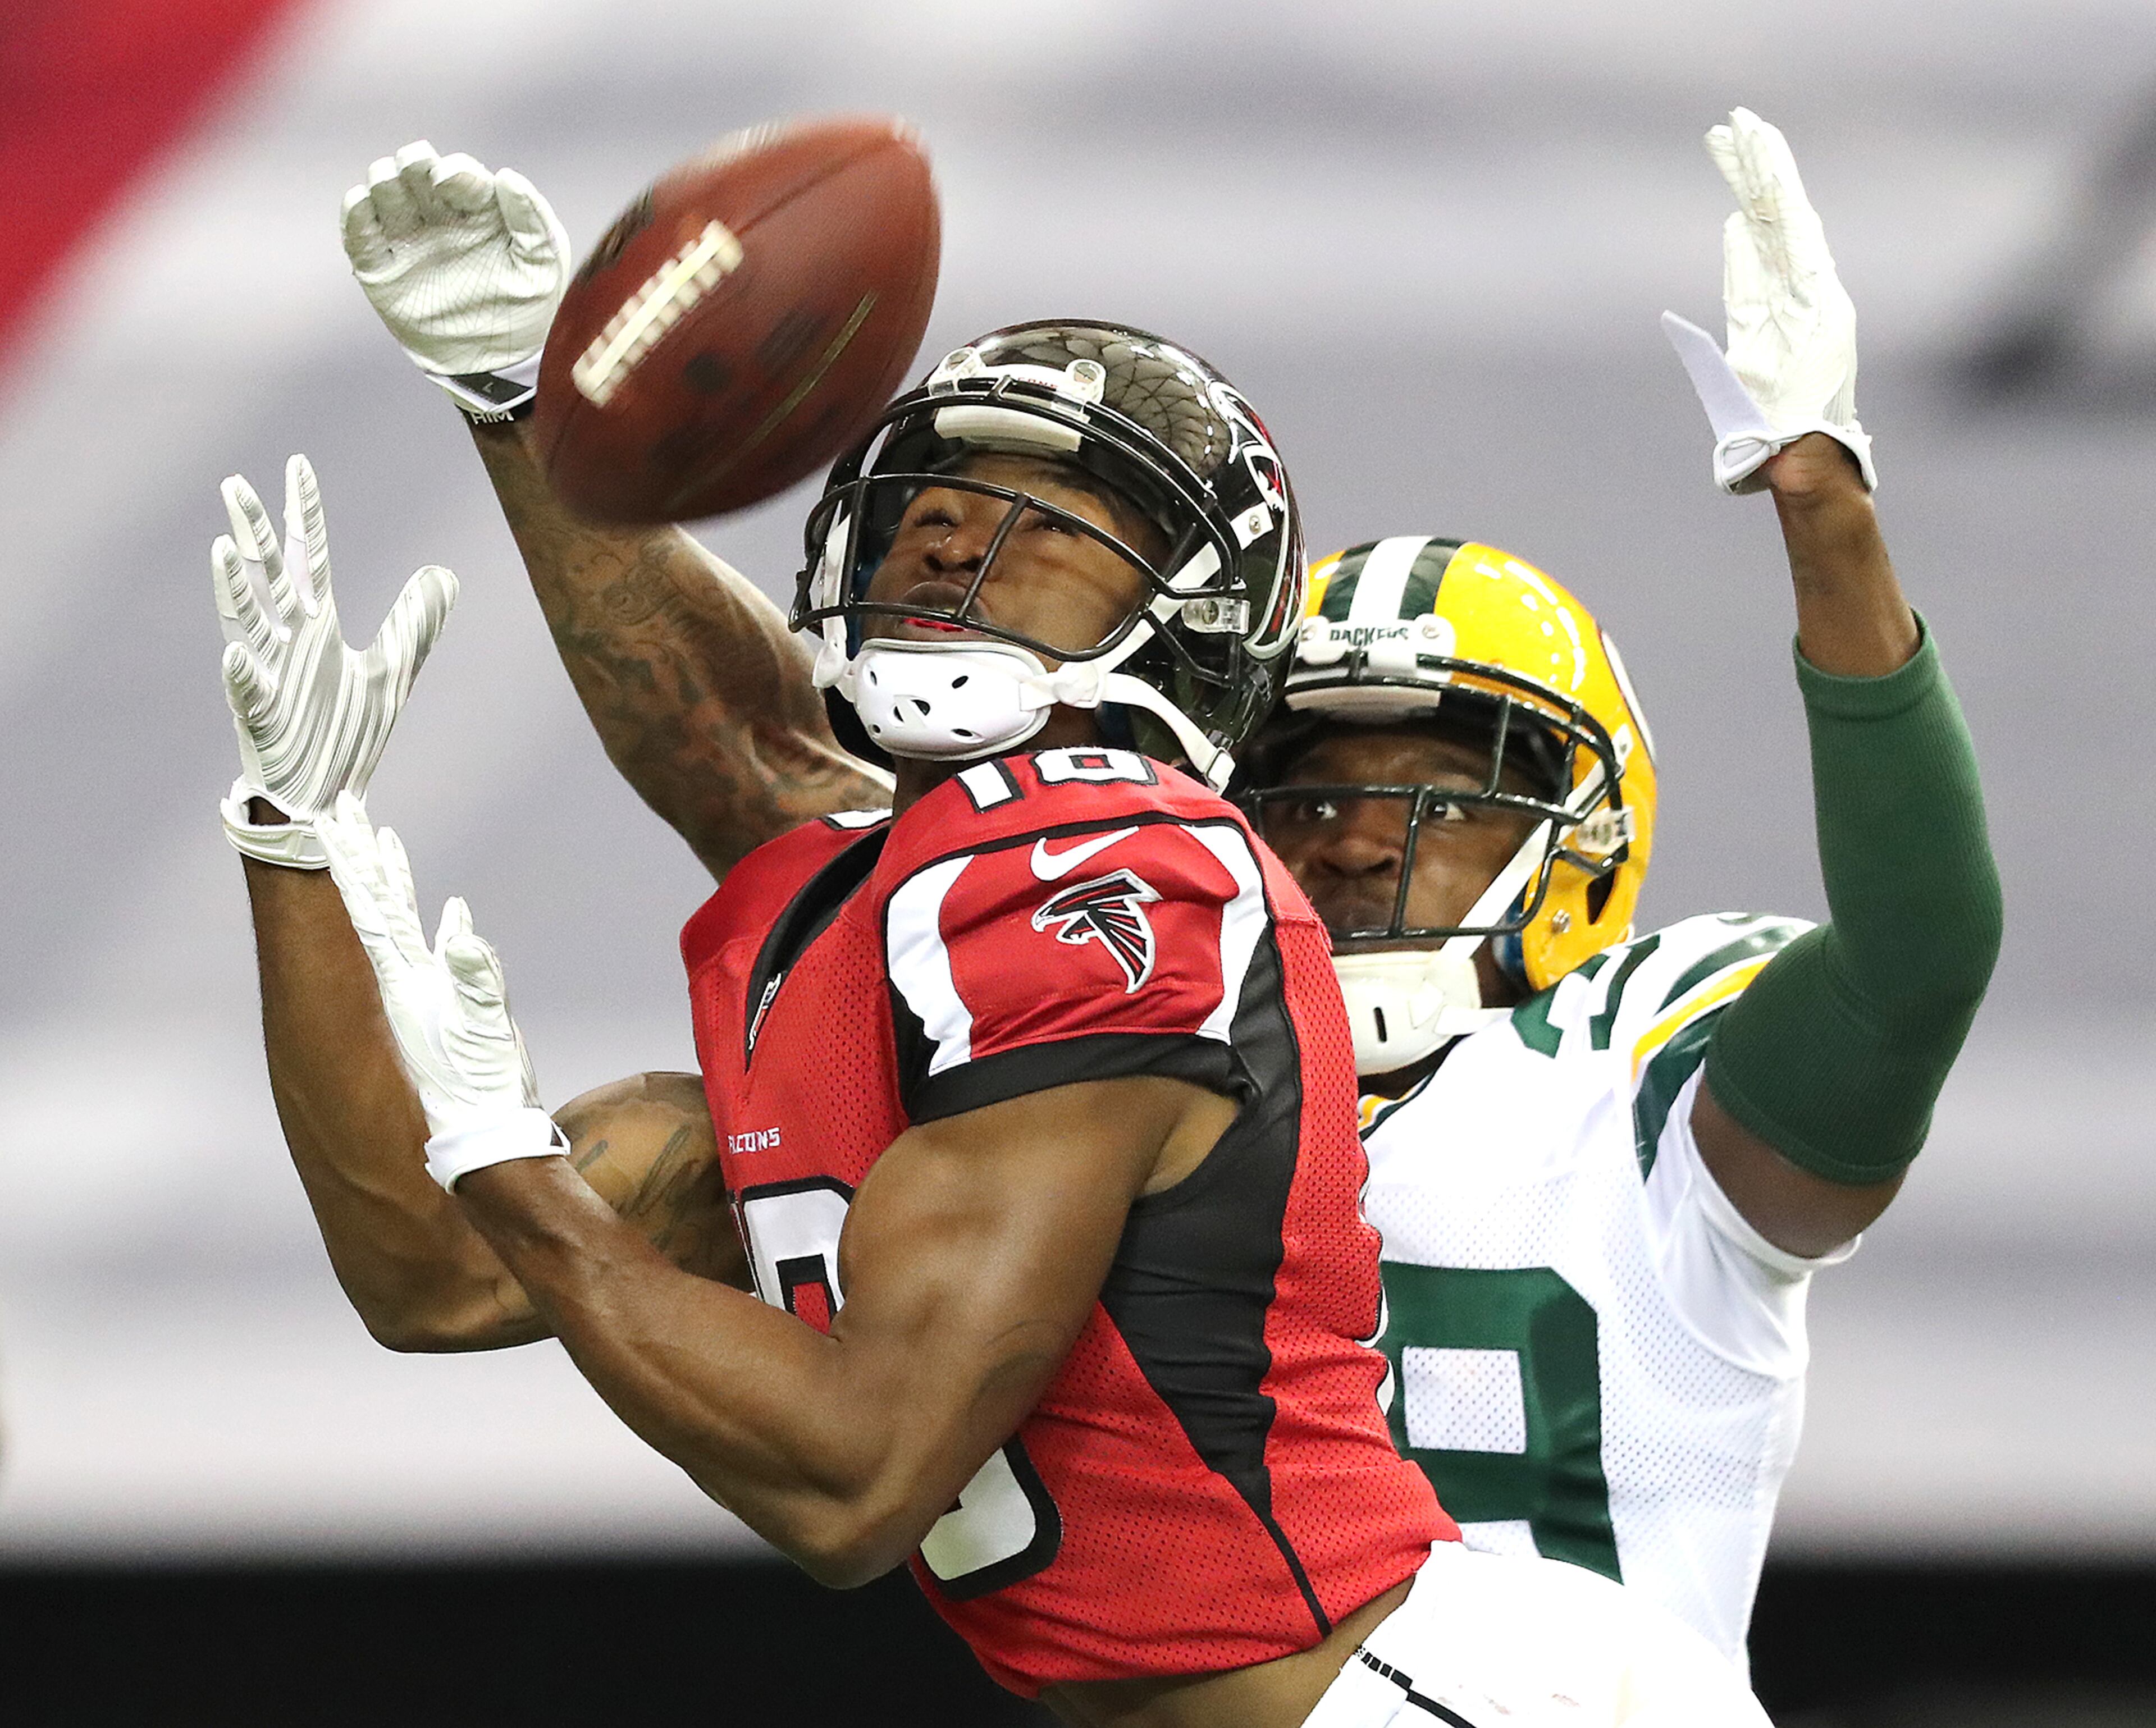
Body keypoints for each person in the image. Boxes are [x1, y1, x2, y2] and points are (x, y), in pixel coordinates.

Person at [209, 156, 1772, 1725]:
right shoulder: (878, 907)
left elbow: (857, 1483)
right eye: (929, 512)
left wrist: (511, 1157)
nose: (958, 541)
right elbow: (429, 1276)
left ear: (1192, 602)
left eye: (1044, 523)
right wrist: (296, 836)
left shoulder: (1131, 874)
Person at [1234, 111, 2002, 1667]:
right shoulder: (1144, 1070)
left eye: (1435, 788)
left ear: (1585, 830)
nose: (1357, 837)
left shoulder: (1631, 1063)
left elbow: (1918, 960)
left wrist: (1827, 524)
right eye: (1308, 784)